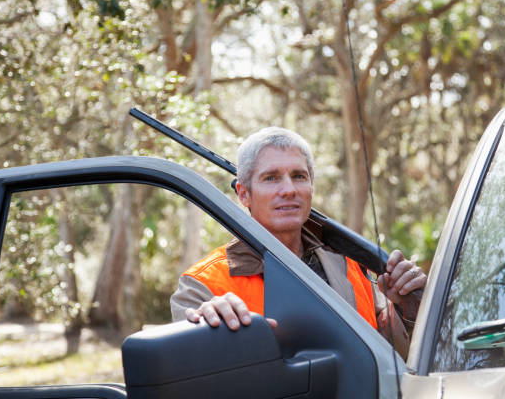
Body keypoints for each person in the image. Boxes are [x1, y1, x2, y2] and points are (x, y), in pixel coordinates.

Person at [171, 127, 427, 358]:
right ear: (244, 193)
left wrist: (408, 308)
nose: (289, 189)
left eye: (299, 176)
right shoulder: (202, 285)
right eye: (271, 178)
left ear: (311, 188)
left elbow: (391, 359)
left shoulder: (350, 262)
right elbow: (187, 374)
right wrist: (208, 327)